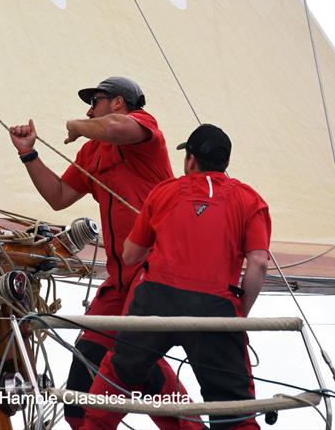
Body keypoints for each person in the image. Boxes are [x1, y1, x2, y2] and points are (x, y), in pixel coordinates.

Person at [9, 76, 196, 429]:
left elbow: (116, 129)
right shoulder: (94, 151)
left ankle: (192, 427)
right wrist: (28, 153)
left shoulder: (142, 128)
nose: (88, 109)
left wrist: (77, 126)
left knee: (133, 357)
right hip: (119, 280)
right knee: (87, 369)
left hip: (151, 272)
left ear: (118, 102)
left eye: (94, 101)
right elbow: (60, 195)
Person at [82, 124, 270, 430]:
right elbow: (258, 263)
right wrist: (238, 315)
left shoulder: (165, 191)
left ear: (190, 160)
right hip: (215, 308)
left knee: (117, 374)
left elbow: (130, 255)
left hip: (155, 299)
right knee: (233, 408)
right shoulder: (250, 200)